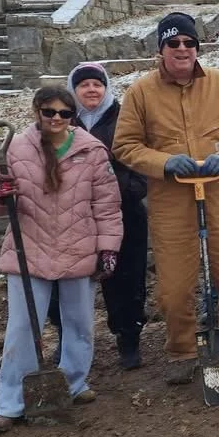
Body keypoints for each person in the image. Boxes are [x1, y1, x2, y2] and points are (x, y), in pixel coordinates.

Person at [113, 12, 219, 385]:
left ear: (197, 47)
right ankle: (181, 348)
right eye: (173, 43)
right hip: (170, 201)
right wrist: (163, 163)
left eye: (189, 43)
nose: (182, 49)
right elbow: (125, 145)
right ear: (161, 48)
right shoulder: (140, 93)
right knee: (174, 289)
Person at [0, 86, 122, 434]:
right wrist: (0, 195)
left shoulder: (91, 150)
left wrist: (108, 248)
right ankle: (11, 403)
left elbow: (106, 205)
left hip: (78, 245)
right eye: (49, 112)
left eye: (64, 113)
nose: (57, 118)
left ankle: (72, 383)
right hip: (29, 248)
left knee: (80, 323)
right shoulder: (13, 149)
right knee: (22, 328)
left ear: (73, 116)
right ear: (36, 112)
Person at [51, 63, 150, 370]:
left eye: (97, 84)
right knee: (65, 281)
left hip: (124, 213)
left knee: (125, 280)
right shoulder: (62, 120)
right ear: (73, 90)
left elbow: (140, 158)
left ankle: (128, 338)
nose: (92, 90)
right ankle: (67, 338)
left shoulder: (124, 117)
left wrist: (123, 189)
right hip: (73, 217)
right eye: (84, 85)